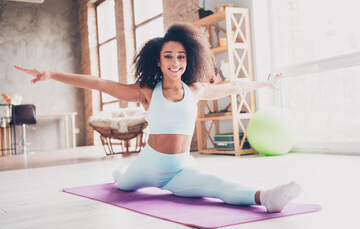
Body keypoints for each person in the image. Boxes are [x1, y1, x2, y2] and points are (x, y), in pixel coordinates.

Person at [15, 23, 301, 213]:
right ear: (158, 60)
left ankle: (266, 197)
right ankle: (122, 172)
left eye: (181, 57)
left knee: (217, 184)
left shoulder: (197, 90)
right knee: (124, 184)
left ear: (188, 61)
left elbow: (236, 86)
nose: (175, 63)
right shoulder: (147, 92)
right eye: (168, 57)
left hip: (181, 170)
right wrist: (51, 74)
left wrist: (264, 85)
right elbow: (99, 82)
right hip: (149, 164)